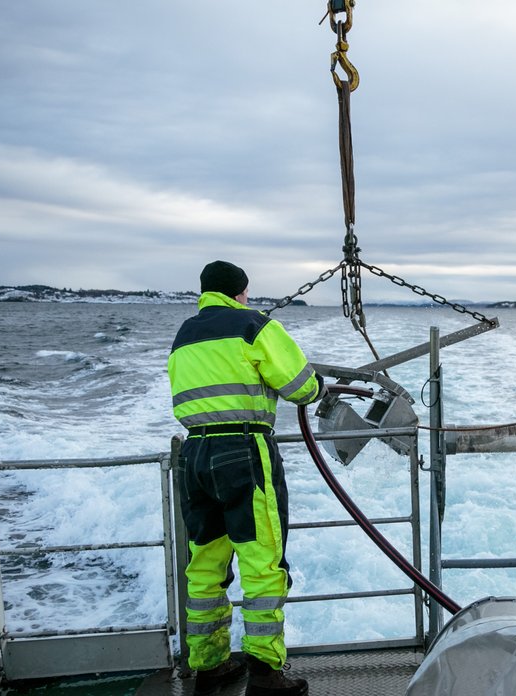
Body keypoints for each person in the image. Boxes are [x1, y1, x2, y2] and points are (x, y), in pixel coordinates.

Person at [168, 260, 324, 696]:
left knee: (205, 567)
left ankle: (209, 666)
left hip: (195, 454)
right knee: (262, 564)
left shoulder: (184, 334)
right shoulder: (253, 325)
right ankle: (265, 674)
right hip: (243, 452)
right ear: (240, 292)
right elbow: (301, 386)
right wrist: (317, 386)